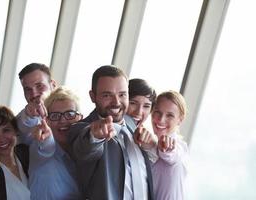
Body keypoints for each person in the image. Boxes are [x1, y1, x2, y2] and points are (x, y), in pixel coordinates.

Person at [68, 65, 154, 200]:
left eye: (122, 94)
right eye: (107, 95)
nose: (116, 102)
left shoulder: (132, 124)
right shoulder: (81, 129)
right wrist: (95, 136)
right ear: (93, 96)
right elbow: (84, 149)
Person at [26, 86, 83, 200]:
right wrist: (45, 139)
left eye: (70, 114)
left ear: (80, 118)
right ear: (47, 121)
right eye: (55, 116)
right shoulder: (40, 149)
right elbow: (44, 147)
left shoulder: (83, 153)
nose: (63, 121)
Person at [147, 90, 189, 200]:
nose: (161, 120)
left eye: (170, 115)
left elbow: (172, 154)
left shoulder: (179, 148)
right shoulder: (150, 144)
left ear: (180, 120)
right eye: (158, 112)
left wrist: (166, 149)